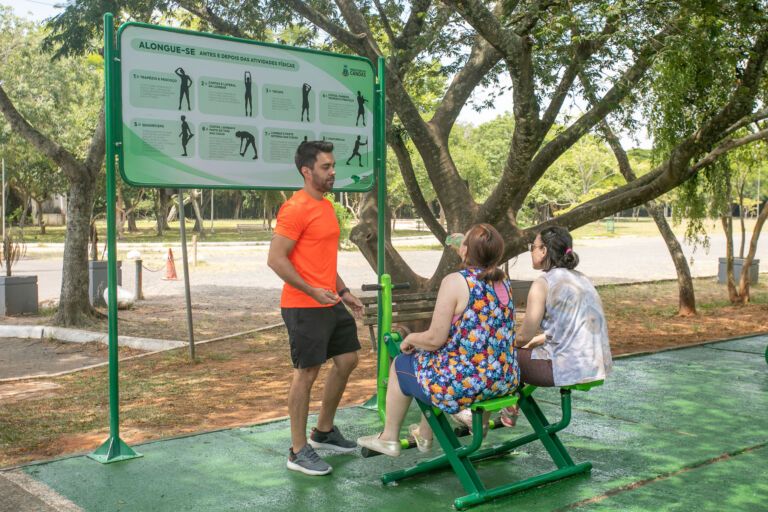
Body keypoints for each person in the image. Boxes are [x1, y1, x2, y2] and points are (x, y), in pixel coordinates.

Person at [357, 224, 519, 456]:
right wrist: (467, 243)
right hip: (503, 378)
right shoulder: (503, 282)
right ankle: (427, 432)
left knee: (403, 364)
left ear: (465, 251)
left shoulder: (455, 281)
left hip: (468, 383)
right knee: (434, 362)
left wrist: (411, 337)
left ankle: (389, 437)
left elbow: (434, 338)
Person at [268, 140, 364, 476]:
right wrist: (311, 289)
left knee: (348, 359)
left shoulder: (325, 206)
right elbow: (276, 259)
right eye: (326, 167)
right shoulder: (295, 208)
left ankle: (323, 431)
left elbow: (321, 259)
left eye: (333, 165)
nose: (333, 171)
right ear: (307, 171)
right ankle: (297, 451)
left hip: (329, 300)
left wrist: (343, 290)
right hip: (303, 305)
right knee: (306, 373)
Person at [515, 226, 613, 388]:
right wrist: (534, 342)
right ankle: (510, 407)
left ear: (544, 250)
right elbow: (570, 329)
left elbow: (523, 337)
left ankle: (485, 410)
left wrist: (504, 345)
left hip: (564, 368)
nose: (531, 251)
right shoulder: (582, 279)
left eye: (532, 247)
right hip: (595, 367)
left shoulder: (543, 283)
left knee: (498, 358)